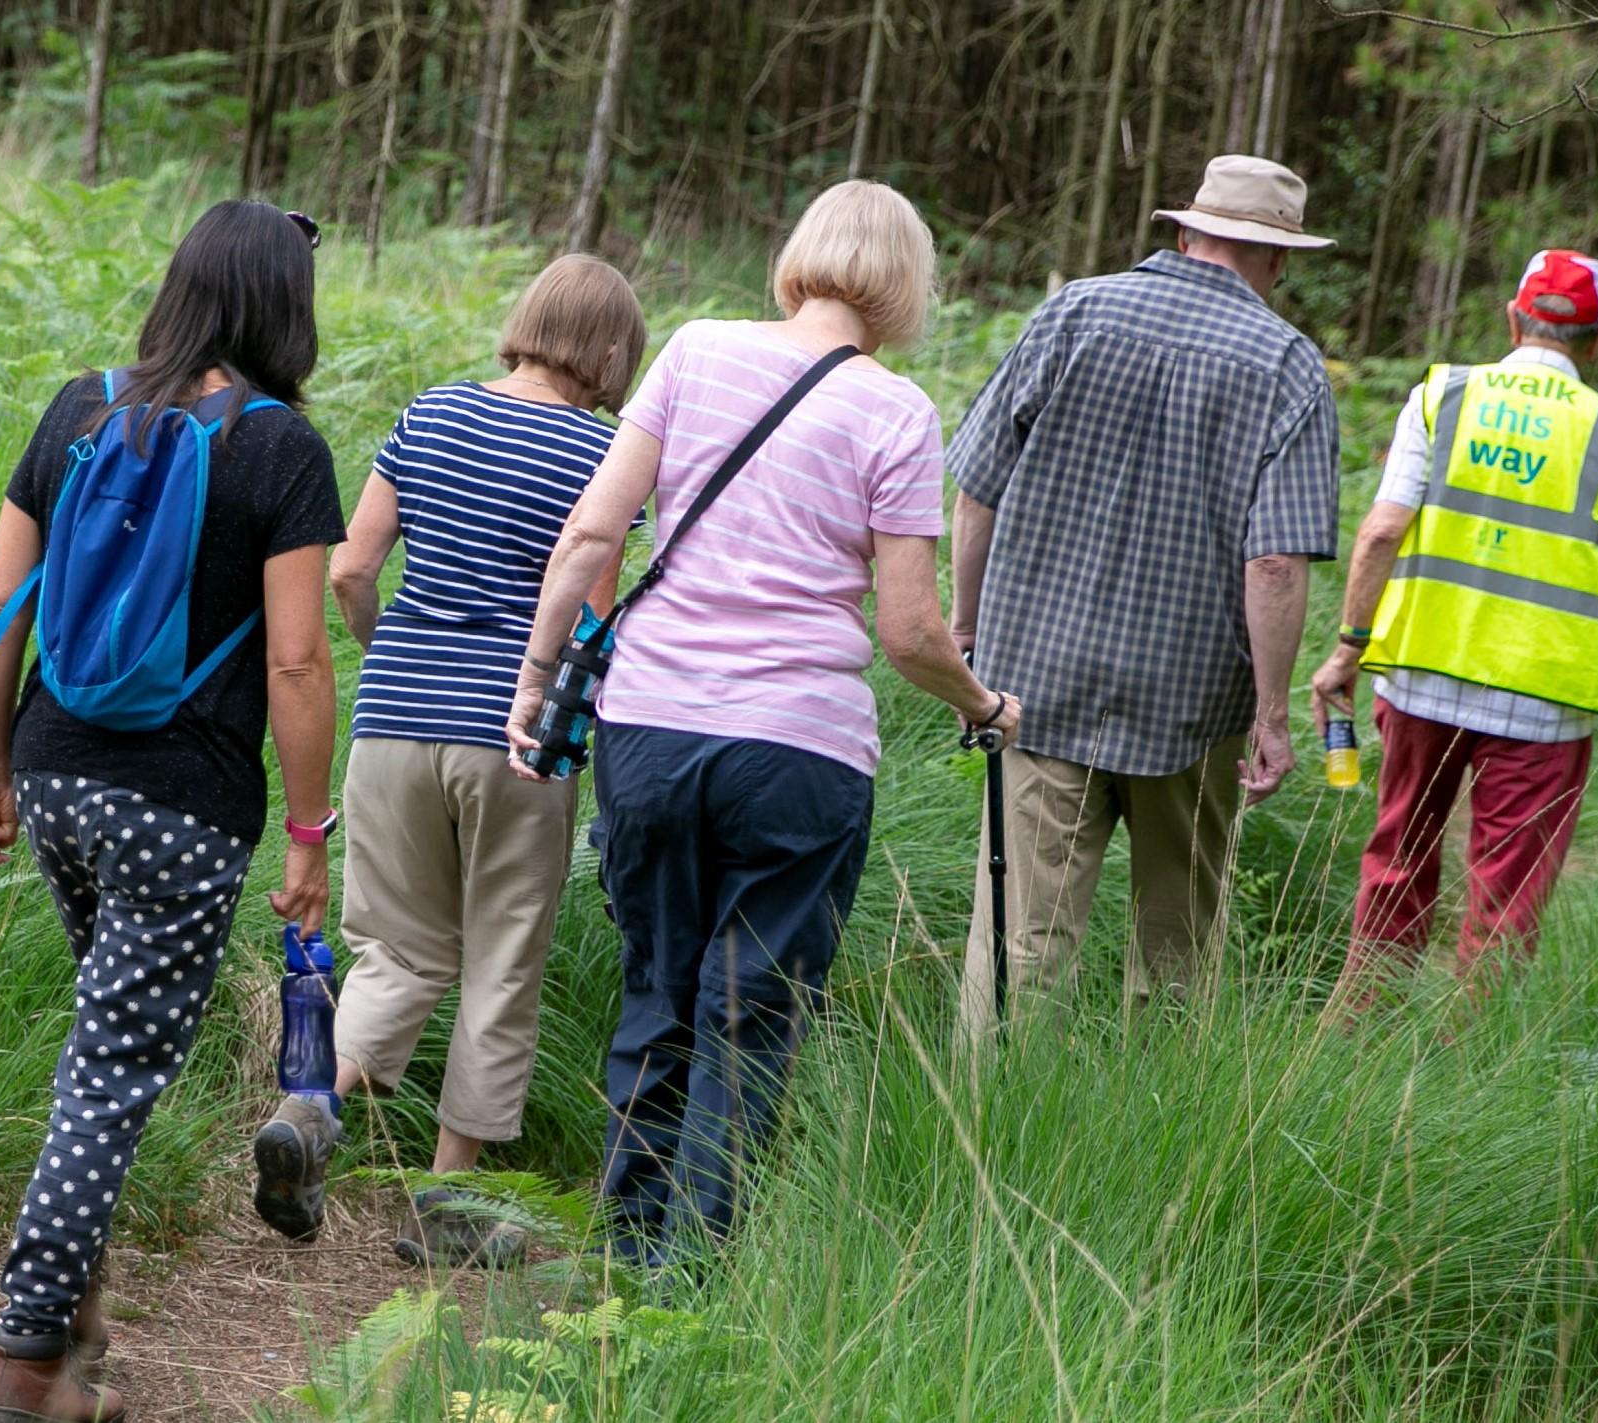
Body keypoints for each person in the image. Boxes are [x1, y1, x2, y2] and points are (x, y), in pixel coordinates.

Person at [506, 180, 1021, 1265]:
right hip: (799, 751)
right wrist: (983, 705)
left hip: (650, 727)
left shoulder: (692, 351)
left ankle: (619, 1259)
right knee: (751, 1017)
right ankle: (687, 1277)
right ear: (905, 285)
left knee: (658, 990)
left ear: (798, 253)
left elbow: (591, 537)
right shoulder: (895, 410)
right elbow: (913, 631)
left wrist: (536, 678)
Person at [0, 203, 341, 1423]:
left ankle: (67, 1329)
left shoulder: (82, 407)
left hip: (57, 773)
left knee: (98, 1046)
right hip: (182, 806)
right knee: (114, 1067)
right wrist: (308, 831)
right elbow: (295, 663)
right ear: (289, 306)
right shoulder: (283, 449)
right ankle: (23, 1360)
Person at [249, 255, 646, 1267]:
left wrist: (388, 649)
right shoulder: (602, 453)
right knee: (498, 961)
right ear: (607, 351)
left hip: (391, 718)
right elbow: (592, 610)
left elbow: (350, 565)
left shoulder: (431, 413)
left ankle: (310, 1109)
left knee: (399, 950)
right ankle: (447, 1202)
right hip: (514, 741)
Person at [946, 154, 1341, 1039]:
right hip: (1194, 705)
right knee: (1175, 952)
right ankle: (1153, 1133)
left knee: (1019, 949)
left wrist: (966, 628)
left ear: (1185, 229)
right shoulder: (1287, 364)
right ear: (1277, 258)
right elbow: (1274, 564)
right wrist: (1271, 717)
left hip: (1034, 683)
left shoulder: (1073, 310)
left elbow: (975, 489)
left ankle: (983, 1133)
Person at [1311, 249, 1598, 1008]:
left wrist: (1348, 647)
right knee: (1505, 894)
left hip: (1420, 678)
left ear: (1512, 318)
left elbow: (1381, 532)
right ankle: (1468, 1060)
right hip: (1543, 708)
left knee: (1396, 860)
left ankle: (1353, 1036)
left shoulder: (1439, 397)